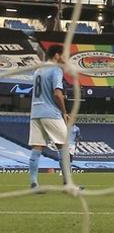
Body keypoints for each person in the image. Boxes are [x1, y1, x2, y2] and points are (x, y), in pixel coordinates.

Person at [27, 44, 75, 191]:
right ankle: (68, 184)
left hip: (35, 112)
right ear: (56, 55)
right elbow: (57, 93)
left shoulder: (38, 70)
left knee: (37, 147)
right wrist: (65, 112)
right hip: (50, 112)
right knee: (64, 146)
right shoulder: (56, 69)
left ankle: (34, 183)